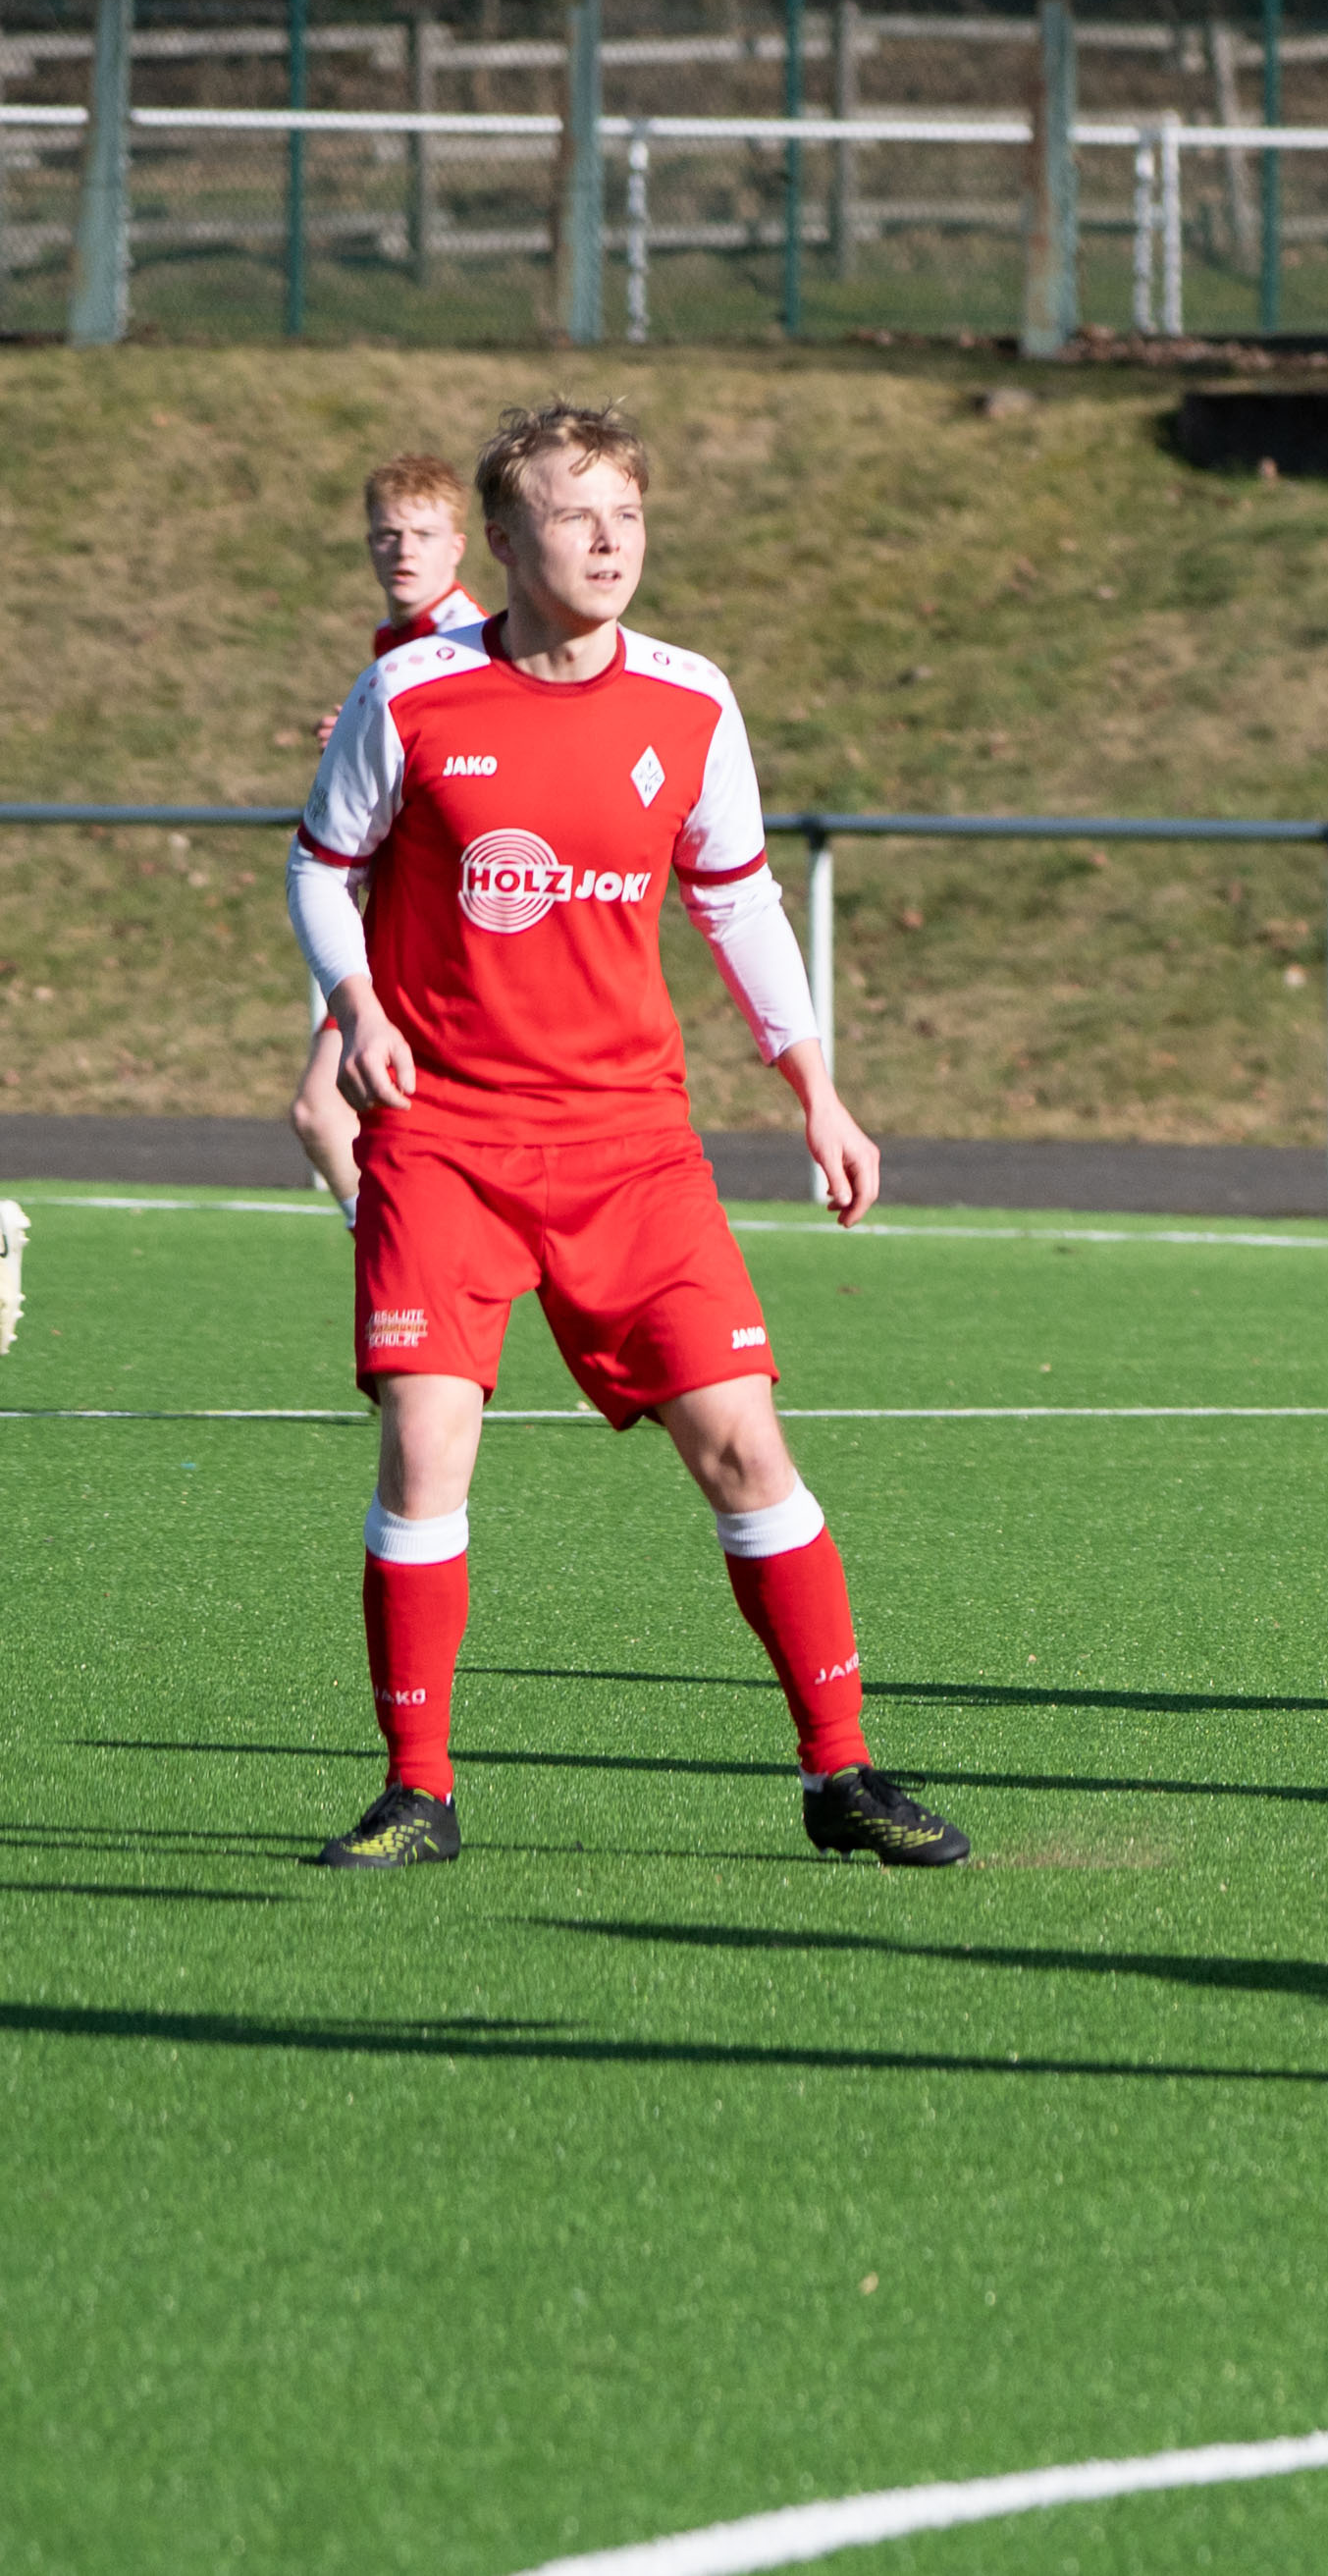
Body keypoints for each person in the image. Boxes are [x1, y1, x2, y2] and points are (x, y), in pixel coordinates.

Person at [285, 402, 963, 1873]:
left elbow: (737, 899)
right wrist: (357, 1001)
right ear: (504, 538)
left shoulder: (691, 700)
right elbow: (321, 868)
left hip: (630, 1145)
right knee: (425, 1443)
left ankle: (841, 1772)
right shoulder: (408, 696)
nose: (609, 542)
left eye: (629, 515)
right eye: (574, 515)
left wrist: (818, 1090)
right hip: (446, 1135)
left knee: (743, 1445)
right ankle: (416, 1791)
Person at [292, 456, 491, 1226]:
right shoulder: (399, 641)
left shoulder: (465, 644)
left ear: (459, 546)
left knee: (326, 1110)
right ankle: (409, 1257)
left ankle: (403, 1257)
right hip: (399, 917)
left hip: (444, 924)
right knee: (346, 1115)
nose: (403, 551)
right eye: (387, 534)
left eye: (423, 535)